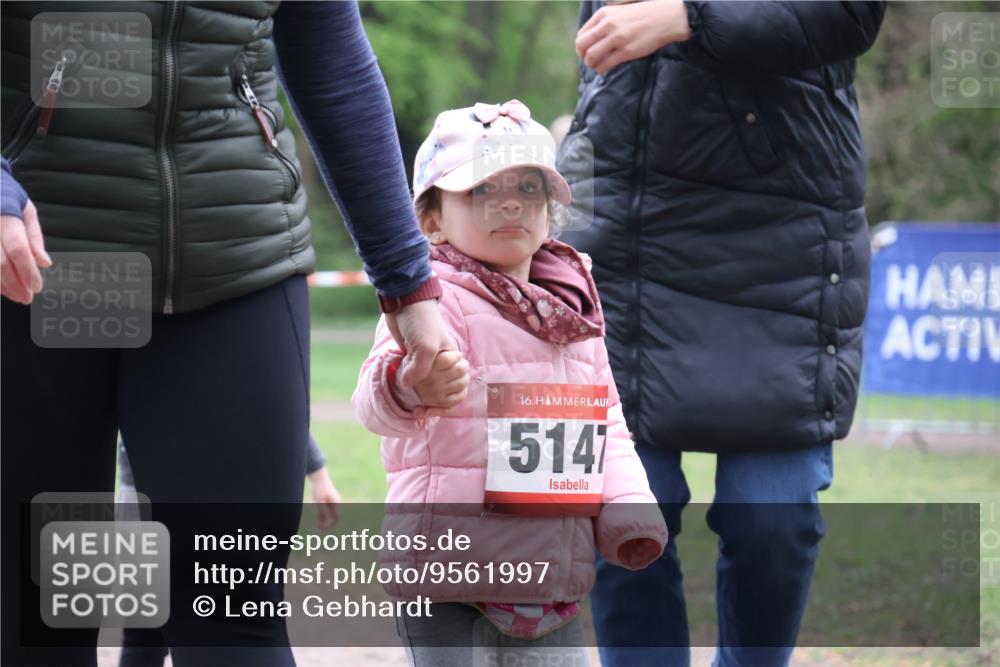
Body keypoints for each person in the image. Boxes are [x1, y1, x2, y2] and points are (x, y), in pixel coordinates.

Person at [0, 3, 466, 666]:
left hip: (233, 257)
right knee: (37, 615)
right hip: (41, 261)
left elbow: (330, 56)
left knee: (230, 613)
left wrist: (407, 284)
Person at [556, 1, 887, 666]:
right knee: (621, 509)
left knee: (774, 516)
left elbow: (850, 14)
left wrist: (690, 15)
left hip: (784, 224)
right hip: (625, 215)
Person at [352, 100, 669, 667]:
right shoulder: (427, 300)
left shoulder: (575, 311)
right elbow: (373, 406)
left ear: (550, 210)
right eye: (479, 189)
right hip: (448, 577)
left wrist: (627, 502)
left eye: (528, 188)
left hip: (550, 575)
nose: (507, 202)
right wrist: (407, 385)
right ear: (430, 218)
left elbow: (608, 425)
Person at [113, 435, 341, 667]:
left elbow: (267, 407)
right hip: (144, 504)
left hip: (208, 501)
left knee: (210, 626)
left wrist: (318, 475)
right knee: (146, 634)